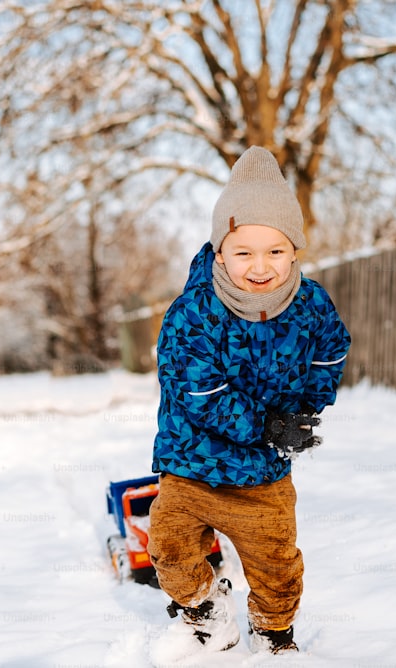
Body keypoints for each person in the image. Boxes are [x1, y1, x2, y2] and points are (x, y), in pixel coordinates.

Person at [147, 146, 351, 658]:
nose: (260, 266)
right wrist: (268, 425)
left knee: (276, 561)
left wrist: (309, 406)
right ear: (220, 253)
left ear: (295, 251)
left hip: (262, 474)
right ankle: (204, 610)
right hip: (192, 461)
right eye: (243, 253)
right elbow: (200, 392)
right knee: (169, 548)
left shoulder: (310, 304)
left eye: (275, 252)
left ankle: (274, 632)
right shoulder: (192, 313)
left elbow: (331, 350)